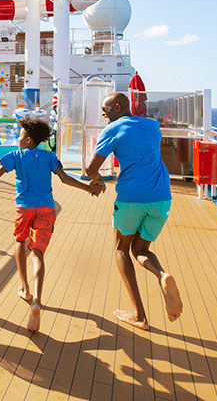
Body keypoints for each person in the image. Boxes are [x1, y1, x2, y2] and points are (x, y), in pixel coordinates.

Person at [0, 117, 102, 332]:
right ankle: (37, 301)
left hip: (24, 209)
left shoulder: (15, 156)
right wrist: (88, 189)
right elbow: (65, 179)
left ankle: (24, 288)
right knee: (38, 254)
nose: (18, 138)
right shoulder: (49, 157)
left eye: (20, 135)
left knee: (19, 242)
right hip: (46, 209)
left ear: (29, 140)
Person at [85, 92, 183, 330]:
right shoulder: (152, 125)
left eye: (106, 111)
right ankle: (162, 275)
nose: (104, 116)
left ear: (118, 108)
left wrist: (97, 180)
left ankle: (139, 316)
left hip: (131, 197)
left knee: (121, 249)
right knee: (141, 250)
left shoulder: (112, 129)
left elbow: (90, 168)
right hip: (161, 197)